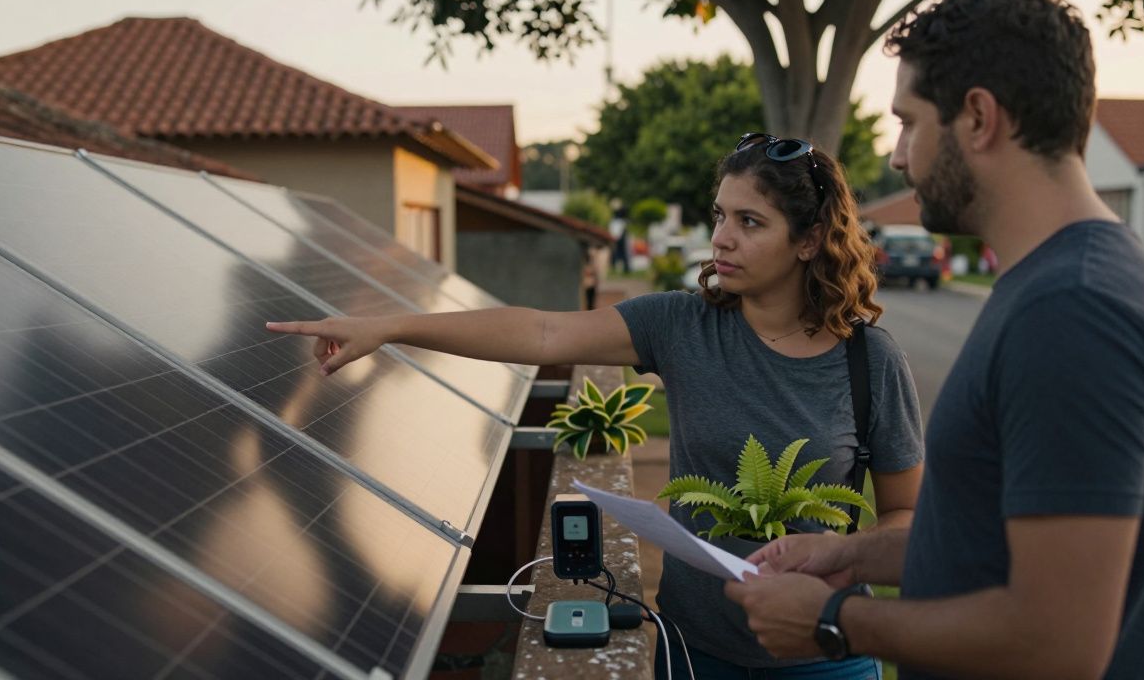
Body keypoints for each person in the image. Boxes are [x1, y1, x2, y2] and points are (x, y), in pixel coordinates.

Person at [266, 135, 925, 679]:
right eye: (720, 215)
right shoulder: (681, 326)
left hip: (827, 653)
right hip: (695, 650)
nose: (721, 237)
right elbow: (543, 333)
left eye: (749, 222)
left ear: (808, 241)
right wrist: (391, 327)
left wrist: (838, 551)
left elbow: (907, 513)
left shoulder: (870, 362)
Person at [724, 0, 1144, 680]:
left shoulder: (1075, 312)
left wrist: (833, 622)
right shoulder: (1069, 282)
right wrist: (848, 556)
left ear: (978, 118)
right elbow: (987, 543)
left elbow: (1060, 643)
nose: (895, 154)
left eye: (910, 122)